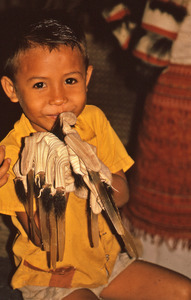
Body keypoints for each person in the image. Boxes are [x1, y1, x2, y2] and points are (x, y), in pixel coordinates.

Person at [0, 14, 190, 300]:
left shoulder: (94, 121)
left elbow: (124, 196)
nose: (58, 98)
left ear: (86, 78)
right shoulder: (11, 152)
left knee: (183, 290)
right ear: (12, 89)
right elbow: (41, 239)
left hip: (107, 264)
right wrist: (52, 187)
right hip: (54, 276)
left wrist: (94, 175)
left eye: (70, 80)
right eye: (40, 85)